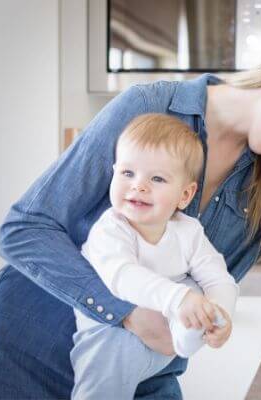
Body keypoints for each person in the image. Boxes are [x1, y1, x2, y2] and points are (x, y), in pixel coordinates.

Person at [0, 38, 261, 399]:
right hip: (26, 356)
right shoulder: (149, 108)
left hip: (144, 380)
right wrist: (127, 314)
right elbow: (24, 230)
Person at [71, 113, 238, 399]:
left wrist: (221, 314)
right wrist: (178, 300)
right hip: (110, 336)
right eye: (127, 173)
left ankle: (189, 332)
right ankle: (184, 327)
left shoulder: (188, 231)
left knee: (196, 287)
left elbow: (219, 278)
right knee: (101, 389)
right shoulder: (111, 229)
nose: (139, 185)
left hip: (164, 337)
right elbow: (121, 277)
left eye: (157, 178)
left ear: (185, 195)